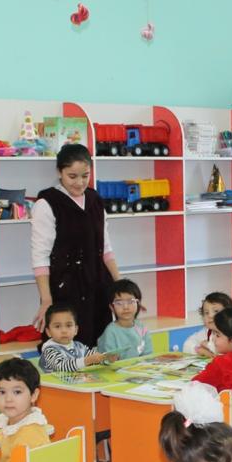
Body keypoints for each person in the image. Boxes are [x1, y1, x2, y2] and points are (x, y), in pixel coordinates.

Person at [30, 144, 120, 347]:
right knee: (67, 348)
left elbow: (106, 248)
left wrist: (120, 286)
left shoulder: (95, 200)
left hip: (97, 285)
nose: (79, 183)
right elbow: (40, 257)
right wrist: (46, 300)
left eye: (85, 176)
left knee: (99, 347)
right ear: (59, 172)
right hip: (66, 290)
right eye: (72, 176)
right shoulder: (47, 203)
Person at [38, 302, 113, 372]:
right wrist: (87, 360)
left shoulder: (79, 346)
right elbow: (62, 366)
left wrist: (105, 359)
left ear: (76, 330)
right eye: (57, 326)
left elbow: (94, 357)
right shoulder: (49, 349)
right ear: (48, 332)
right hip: (55, 381)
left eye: (68, 325)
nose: (64, 331)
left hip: (76, 380)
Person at [96, 279, 150, 361]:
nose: (125, 307)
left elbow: (148, 355)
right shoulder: (110, 332)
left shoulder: (141, 328)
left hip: (141, 368)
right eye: (119, 303)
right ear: (112, 307)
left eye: (130, 301)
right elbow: (108, 362)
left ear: (138, 303)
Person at [181, 292, 232, 357]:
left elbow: (222, 350)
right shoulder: (207, 331)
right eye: (206, 312)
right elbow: (186, 344)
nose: (210, 316)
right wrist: (199, 349)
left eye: (216, 311)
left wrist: (208, 345)